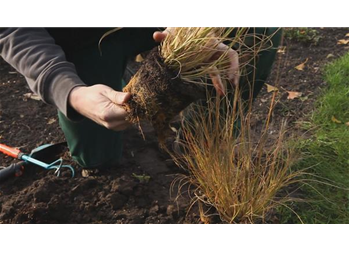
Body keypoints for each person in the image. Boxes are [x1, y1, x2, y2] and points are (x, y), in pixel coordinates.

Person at [0, 27, 282, 169]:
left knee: (258, 30)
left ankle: (201, 144)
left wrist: (189, 34)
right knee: (97, 159)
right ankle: (114, 81)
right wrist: (72, 92)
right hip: (80, 41)